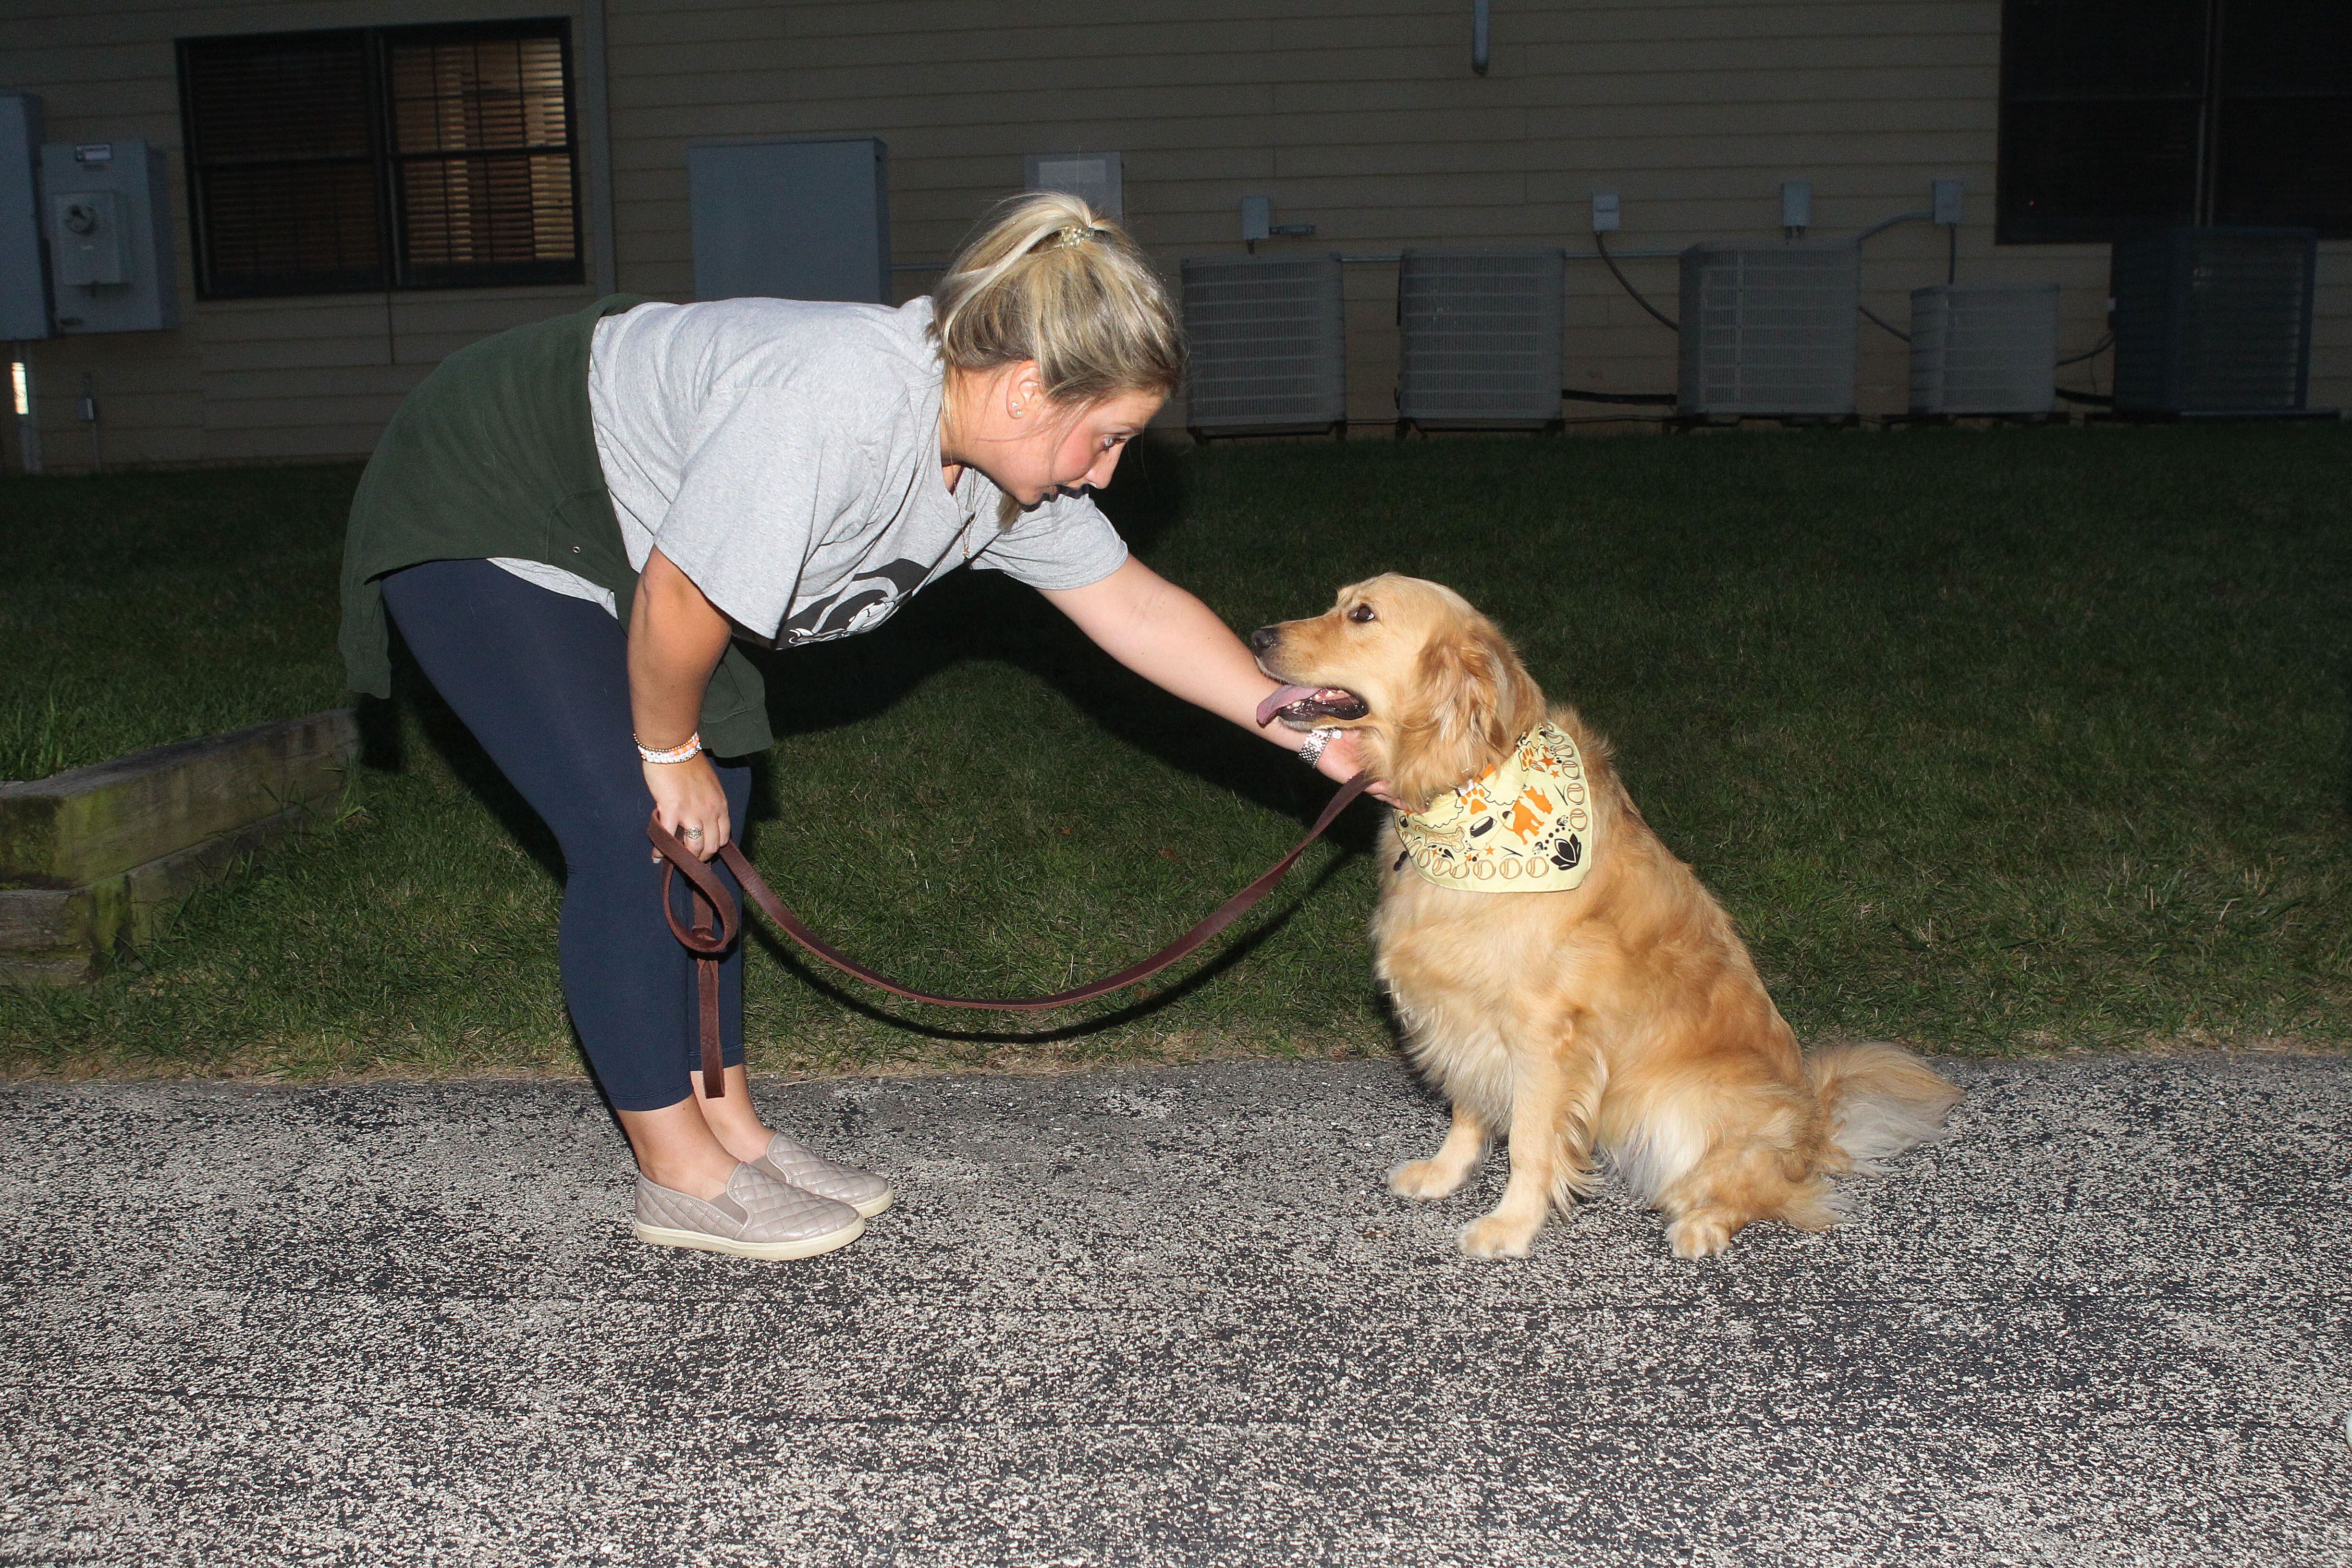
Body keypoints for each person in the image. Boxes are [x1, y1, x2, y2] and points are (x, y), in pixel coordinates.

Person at [338, 192, 1378, 1262]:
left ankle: (730, 1127)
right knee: (633, 819)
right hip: (504, 485)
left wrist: (1307, 729)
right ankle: (677, 1170)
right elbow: (685, 600)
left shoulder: (995, 471)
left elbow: (1136, 606)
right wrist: (665, 750)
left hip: (644, 529)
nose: (1106, 472)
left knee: (718, 810)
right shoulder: (835, 406)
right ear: (1027, 389)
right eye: (1107, 439)